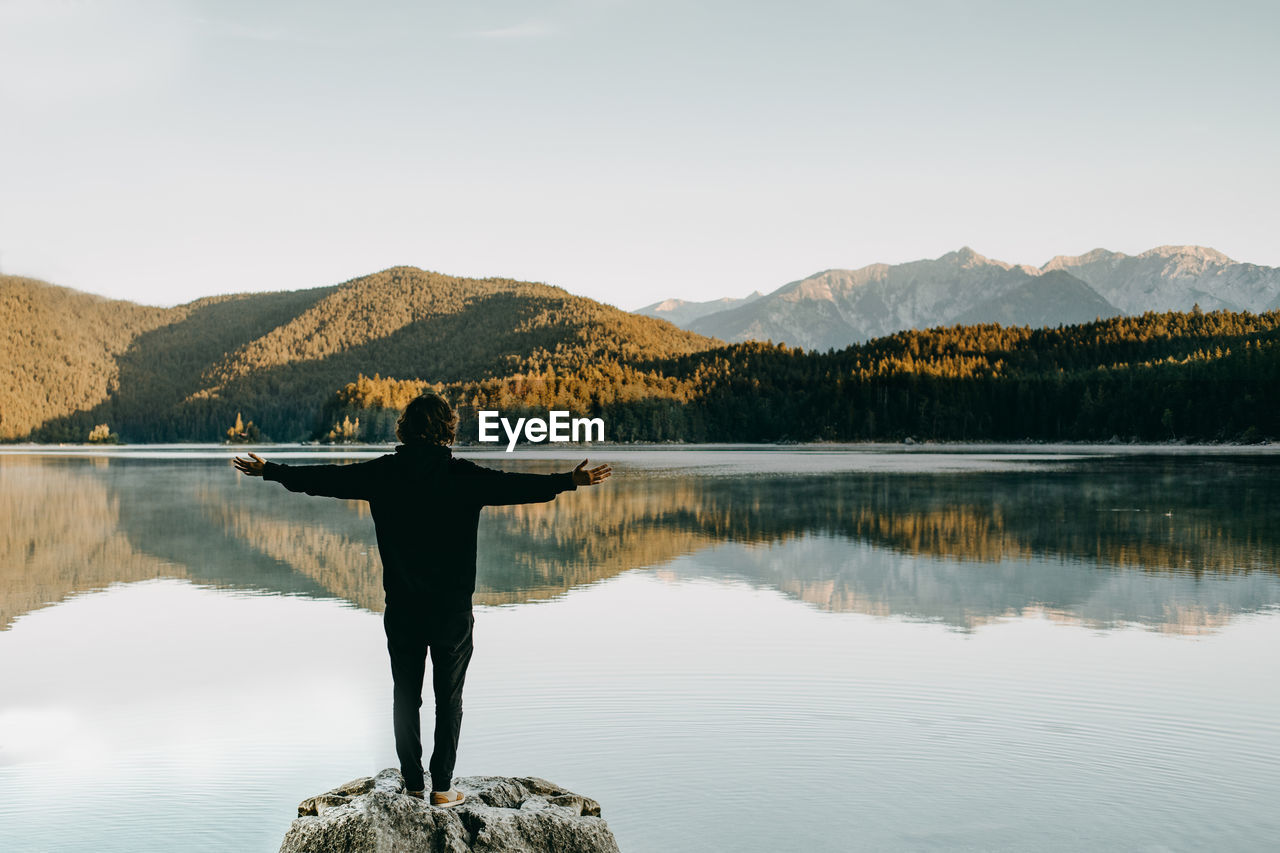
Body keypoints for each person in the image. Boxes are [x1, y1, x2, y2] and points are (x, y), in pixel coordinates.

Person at [232, 394, 611, 807]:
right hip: (451, 612)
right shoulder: (463, 476)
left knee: (405, 695)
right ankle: (443, 789)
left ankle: (413, 783)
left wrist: (272, 470)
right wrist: (567, 481)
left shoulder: (384, 474)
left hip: (403, 609)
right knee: (450, 699)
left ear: (404, 428)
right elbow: (516, 485)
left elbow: (325, 479)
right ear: (448, 429)